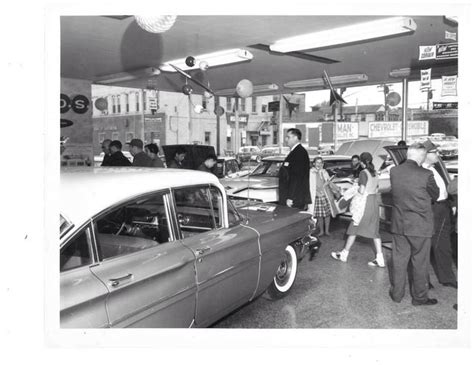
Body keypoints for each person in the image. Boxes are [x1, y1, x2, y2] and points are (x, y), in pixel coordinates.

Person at [388, 143, 439, 306]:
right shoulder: (426, 174)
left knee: (399, 260)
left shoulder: (394, 171)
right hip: (420, 226)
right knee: (420, 263)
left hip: (399, 225)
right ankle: (419, 298)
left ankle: (397, 295)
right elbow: (436, 195)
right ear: (422, 157)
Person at [331, 152, 385, 267]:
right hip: (373, 202)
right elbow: (375, 188)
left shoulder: (363, 173)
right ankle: (380, 258)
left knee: (354, 228)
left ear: (361, 161)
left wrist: (355, 186)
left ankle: (344, 254)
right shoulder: (375, 173)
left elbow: (361, 190)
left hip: (364, 203)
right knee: (374, 231)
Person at [422, 140, 457, 288]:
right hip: (431, 209)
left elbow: (447, 189)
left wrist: (451, 204)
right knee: (425, 245)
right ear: (425, 155)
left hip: (443, 208)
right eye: (434, 152)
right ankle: (423, 280)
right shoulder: (421, 172)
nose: (438, 154)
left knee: (444, 246)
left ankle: (447, 278)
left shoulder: (435, 168)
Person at [278, 128, 311, 210]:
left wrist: (291, 197)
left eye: (288, 137)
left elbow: (297, 177)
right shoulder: (294, 152)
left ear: (295, 138)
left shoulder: (300, 153)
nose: (286, 140)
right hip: (291, 197)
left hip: (294, 199)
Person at [308, 156, 332, 236]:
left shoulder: (324, 172)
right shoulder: (310, 172)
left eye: (321, 162)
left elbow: (328, 181)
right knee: (319, 215)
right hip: (316, 195)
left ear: (323, 164)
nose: (319, 164)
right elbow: (310, 185)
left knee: (327, 214)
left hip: (324, 195)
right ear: (314, 163)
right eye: (317, 162)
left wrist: (327, 181)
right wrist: (316, 192)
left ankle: (327, 231)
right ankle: (321, 231)